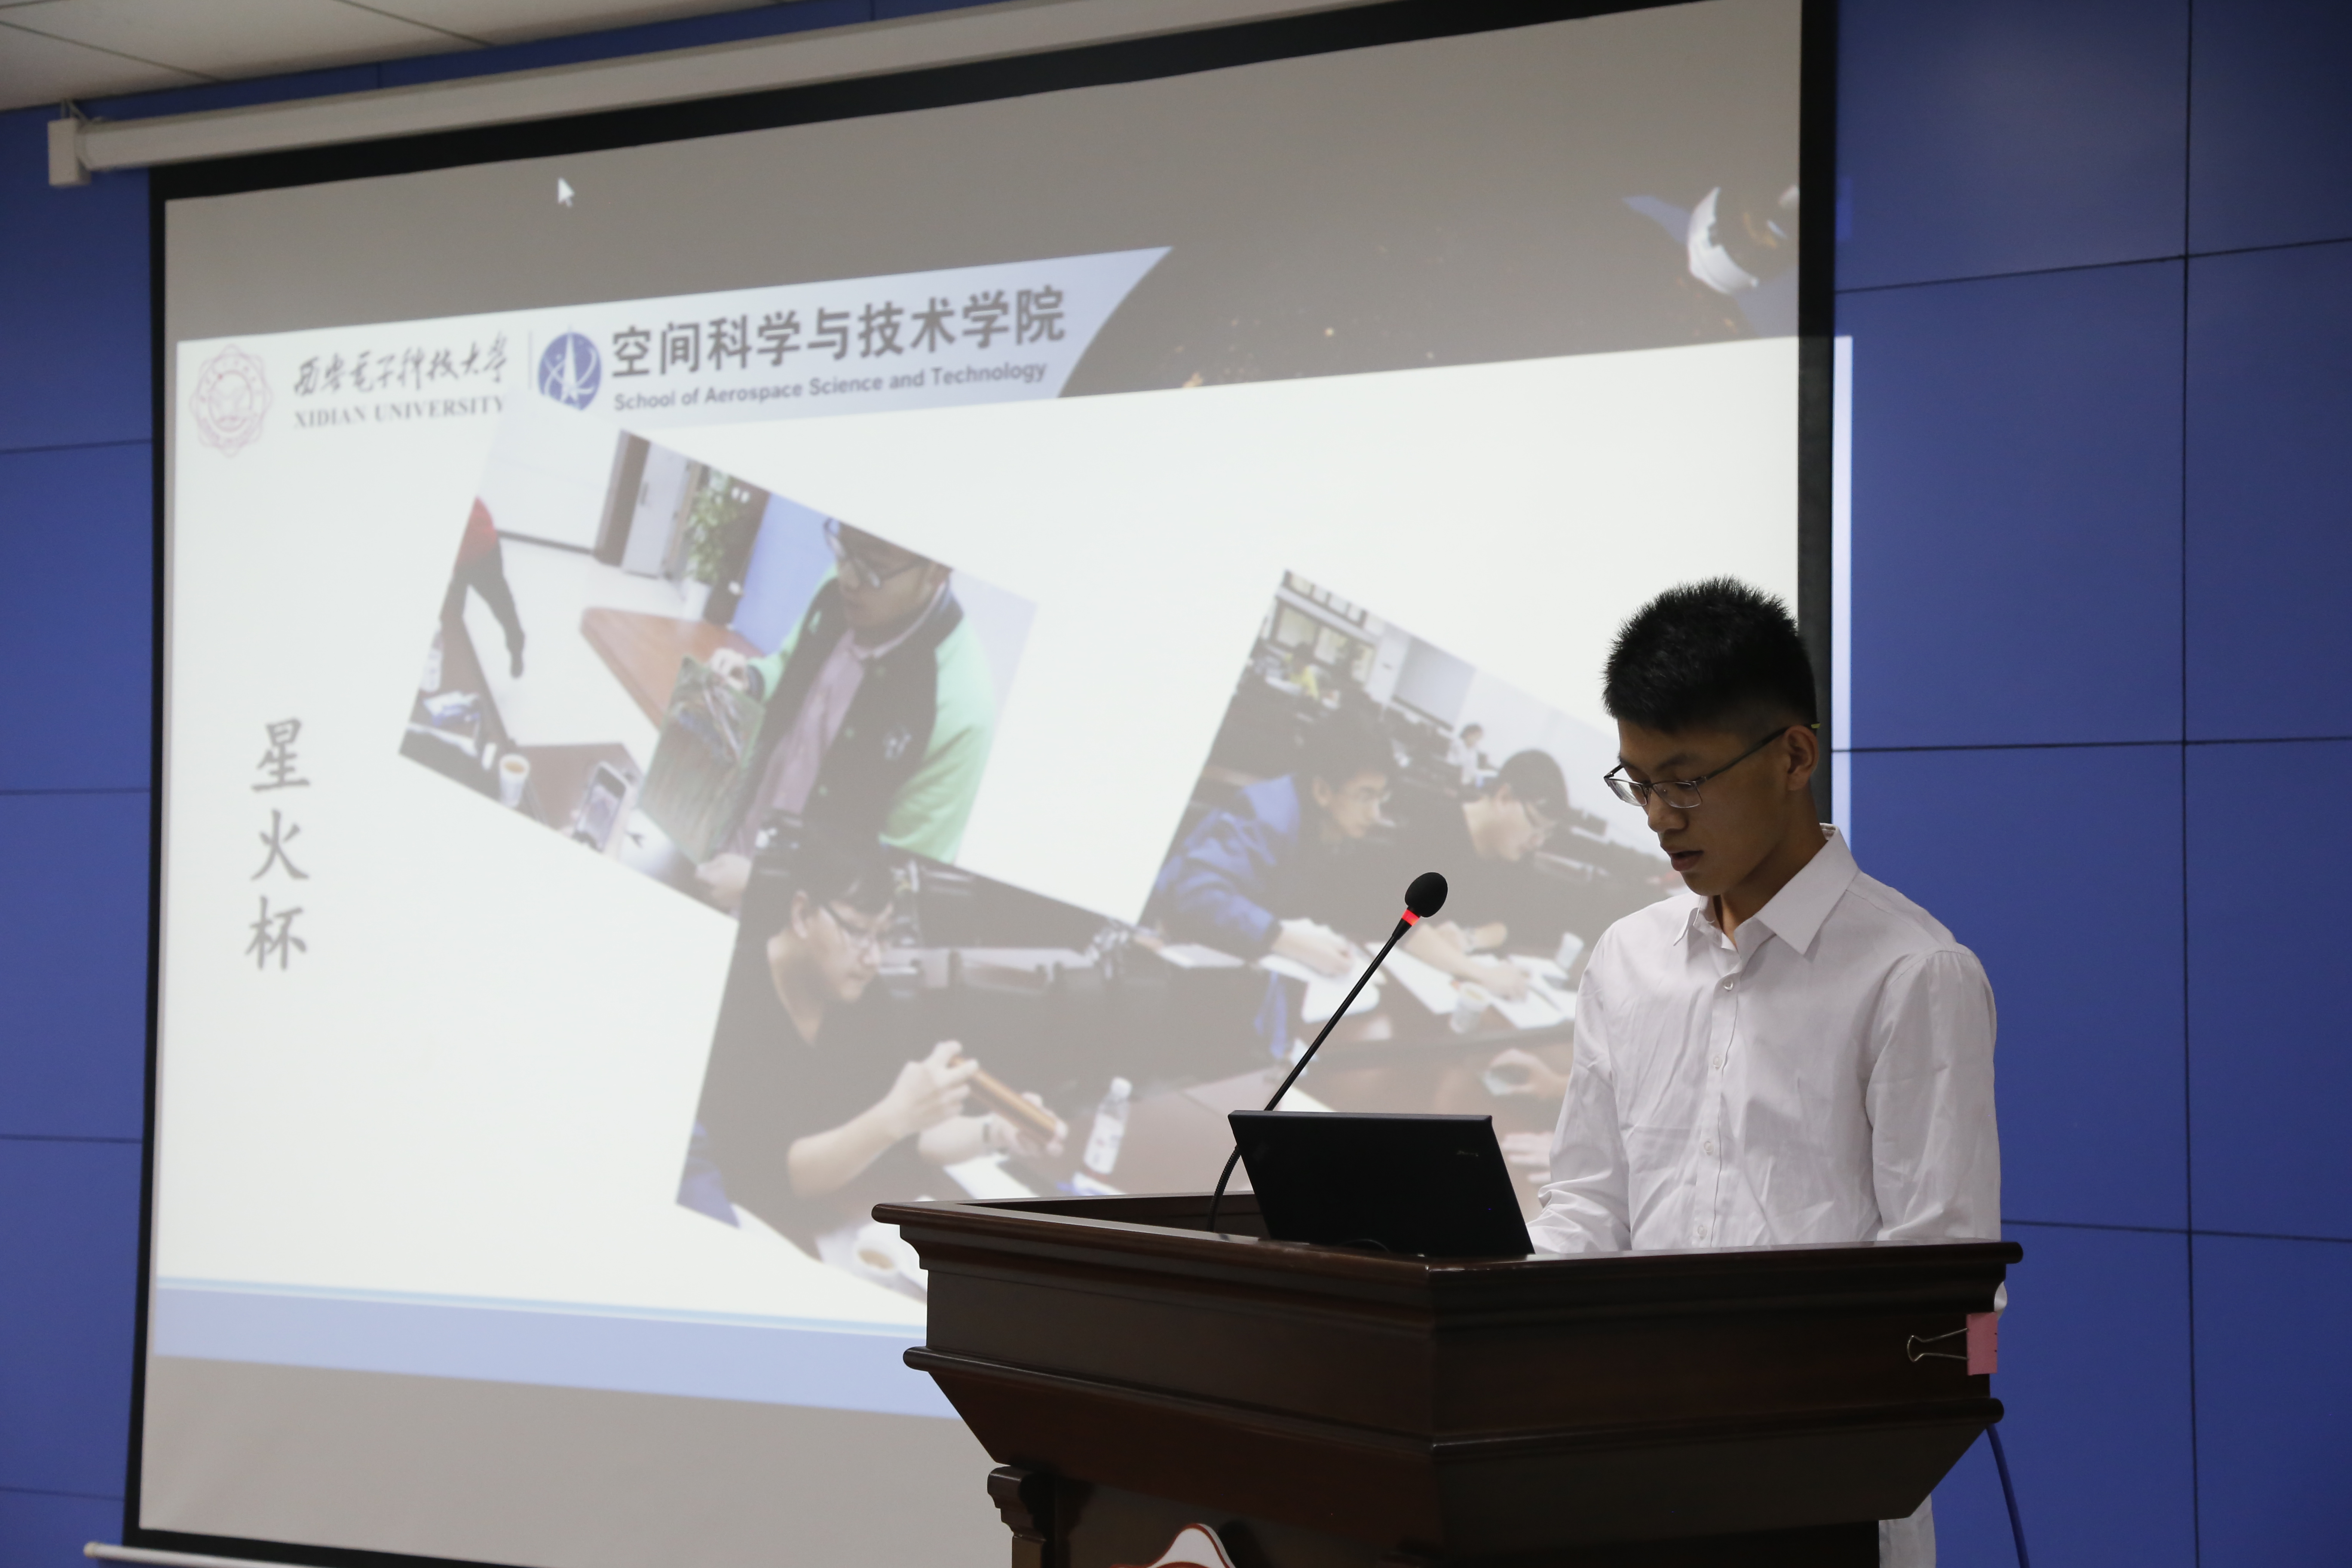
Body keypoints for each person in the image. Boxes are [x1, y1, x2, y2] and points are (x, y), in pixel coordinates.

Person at [1531, 578, 1997, 1568]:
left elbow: (1947, 1282)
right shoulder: (1626, 959)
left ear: (1793, 756)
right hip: (1623, 1478)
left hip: (1821, 1498)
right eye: (1637, 783)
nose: (1658, 818)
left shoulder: (1912, 972)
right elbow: (1585, 1209)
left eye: (1686, 781)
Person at [679, 825, 1059, 1250]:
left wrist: (994, 1132)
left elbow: (914, 1134)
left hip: (836, 1226)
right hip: (738, 1230)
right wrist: (895, 1117)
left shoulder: (863, 998)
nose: (874, 957)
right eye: (858, 932)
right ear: (802, 913)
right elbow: (773, 1178)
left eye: (884, 936)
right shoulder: (731, 993)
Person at [694, 520, 996, 909]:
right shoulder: (839, 585)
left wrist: (763, 883)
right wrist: (753, 681)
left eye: (874, 565)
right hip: (724, 854)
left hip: (791, 924)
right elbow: (789, 666)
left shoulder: (962, 710)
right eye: (844, 547)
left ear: (938, 569)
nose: (848, 578)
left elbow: (896, 887)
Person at [1145, 707, 1395, 976]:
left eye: (1382, 797)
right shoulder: (1267, 816)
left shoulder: (1334, 827)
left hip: (1232, 949)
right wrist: (1287, 940)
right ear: (1322, 791)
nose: (1376, 814)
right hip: (1166, 943)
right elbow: (1198, 894)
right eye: (1365, 797)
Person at [1381, 749, 1570, 1001]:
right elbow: (1396, 915)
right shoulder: (1434, 823)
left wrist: (1469, 939)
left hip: (1448, 983)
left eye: (1548, 833)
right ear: (1504, 798)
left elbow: (1511, 921)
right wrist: (1482, 974)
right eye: (1535, 825)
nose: (1538, 842)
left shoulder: (1517, 853)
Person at [443, 498, 526, 677]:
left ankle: (516, 645)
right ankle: (448, 663)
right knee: (451, 615)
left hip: (481, 550)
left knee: (501, 605)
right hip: (462, 555)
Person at [1447, 721, 1488, 788]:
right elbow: (1458, 764)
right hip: (1451, 778)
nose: (1477, 742)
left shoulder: (1473, 751)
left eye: (1479, 739)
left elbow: (1473, 769)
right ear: (1469, 735)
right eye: (1476, 738)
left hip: (1465, 783)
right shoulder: (1458, 744)